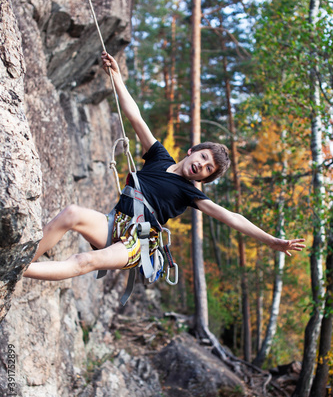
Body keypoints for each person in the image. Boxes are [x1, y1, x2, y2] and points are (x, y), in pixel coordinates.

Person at [23, 52, 305, 281]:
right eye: (204, 158)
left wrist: (272, 241)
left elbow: (232, 217)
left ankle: (16, 272)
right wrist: (118, 78)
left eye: (208, 170)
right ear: (192, 150)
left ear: (205, 179)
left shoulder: (189, 193)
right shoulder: (159, 156)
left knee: (86, 260)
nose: (202, 166)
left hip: (141, 240)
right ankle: (24, 258)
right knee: (71, 213)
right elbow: (136, 118)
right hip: (116, 223)